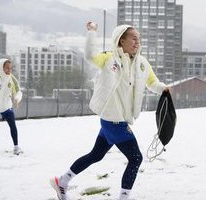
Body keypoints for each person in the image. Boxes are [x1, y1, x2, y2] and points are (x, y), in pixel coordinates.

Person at [50, 22, 169, 200]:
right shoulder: (109, 58)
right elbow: (90, 56)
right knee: (136, 158)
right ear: (121, 40)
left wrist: (164, 88)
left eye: (139, 39)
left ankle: (62, 181)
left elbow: (152, 83)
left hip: (115, 120)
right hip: (114, 121)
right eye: (133, 38)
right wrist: (91, 33)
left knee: (96, 155)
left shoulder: (142, 63)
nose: (137, 42)